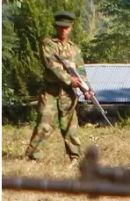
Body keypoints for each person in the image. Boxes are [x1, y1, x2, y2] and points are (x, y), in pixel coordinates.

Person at [24, 10, 92, 162]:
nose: (63, 30)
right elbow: (52, 66)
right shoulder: (48, 44)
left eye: (66, 28)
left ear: (71, 27)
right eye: (60, 27)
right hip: (50, 92)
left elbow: (80, 71)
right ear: (56, 27)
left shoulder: (75, 49)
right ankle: (33, 157)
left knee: (70, 127)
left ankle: (75, 157)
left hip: (68, 94)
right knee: (44, 125)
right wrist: (69, 79)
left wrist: (87, 88)